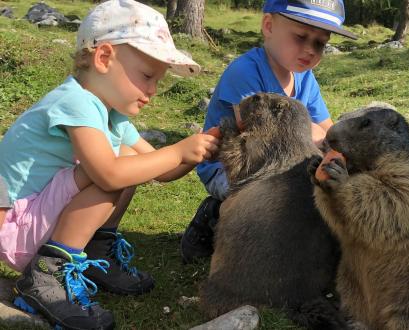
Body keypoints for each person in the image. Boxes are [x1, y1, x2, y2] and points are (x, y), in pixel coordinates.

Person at [0, 1, 219, 329]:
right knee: (115, 168)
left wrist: (197, 149)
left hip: (35, 220)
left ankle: (95, 256)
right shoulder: (75, 102)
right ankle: (47, 276)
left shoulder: (110, 114)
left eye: (157, 81)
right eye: (147, 76)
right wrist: (176, 151)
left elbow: (161, 170)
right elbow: (108, 174)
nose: (153, 91)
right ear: (103, 58)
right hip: (14, 229)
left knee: (131, 161)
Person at [180, 0, 357, 263]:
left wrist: (340, 154)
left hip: (279, 163)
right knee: (264, 197)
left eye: (320, 43)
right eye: (300, 37)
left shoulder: (305, 77)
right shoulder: (245, 71)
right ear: (268, 25)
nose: (310, 50)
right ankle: (214, 218)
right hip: (233, 167)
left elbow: (325, 128)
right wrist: (322, 142)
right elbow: (259, 126)